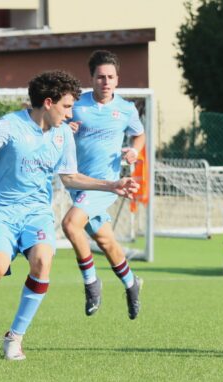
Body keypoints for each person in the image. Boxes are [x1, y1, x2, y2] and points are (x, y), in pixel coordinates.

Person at [0, 70, 139, 361]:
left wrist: (113, 184)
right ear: (48, 103)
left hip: (37, 213)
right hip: (2, 212)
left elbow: (70, 177)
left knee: (42, 262)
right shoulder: (10, 125)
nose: (71, 113)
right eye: (67, 106)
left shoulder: (63, 135)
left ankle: (15, 338)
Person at [61, 50, 145, 319]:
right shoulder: (77, 105)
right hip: (79, 183)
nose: (105, 82)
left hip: (108, 184)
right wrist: (66, 129)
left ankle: (91, 282)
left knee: (70, 224)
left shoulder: (126, 109)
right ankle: (132, 284)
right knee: (105, 240)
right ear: (92, 79)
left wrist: (134, 151)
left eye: (110, 77)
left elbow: (139, 135)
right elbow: (55, 125)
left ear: (117, 79)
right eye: (100, 77)